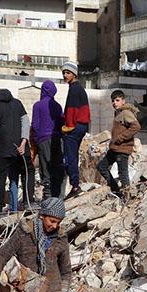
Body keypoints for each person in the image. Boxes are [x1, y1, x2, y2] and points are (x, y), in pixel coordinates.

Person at [0, 86, 33, 211]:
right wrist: (23, 142)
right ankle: (28, 202)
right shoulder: (17, 102)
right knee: (27, 172)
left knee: (0, 177)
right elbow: (25, 121)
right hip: (20, 146)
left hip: (2, 147)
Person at [97, 90, 141, 199]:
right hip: (115, 148)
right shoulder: (118, 113)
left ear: (123, 101)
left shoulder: (126, 113)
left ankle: (127, 198)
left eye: (117, 100)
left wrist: (121, 138)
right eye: (113, 101)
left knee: (123, 174)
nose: (114, 103)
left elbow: (136, 126)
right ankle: (116, 191)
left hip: (122, 149)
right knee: (102, 166)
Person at [60, 63, 91, 199]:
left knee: (69, 158)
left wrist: (67, 127)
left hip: (74, 126)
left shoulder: (74, 89)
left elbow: (72, 111)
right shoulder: (79, 88)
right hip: (82, 126)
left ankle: (75, 186)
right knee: (73, 156)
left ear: (74, 74)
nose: (65, 75)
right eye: (64, 73)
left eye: (68, 73)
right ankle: (75, 184)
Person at [32, 80, 65, 199]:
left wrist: (37, 140)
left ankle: (48, 196)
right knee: (57, 167)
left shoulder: (37, 105)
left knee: (45, 168)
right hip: (57, 139)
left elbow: (35, 125)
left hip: (43, 140)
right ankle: (58, 197)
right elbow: (62, 123)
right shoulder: (57, 106)